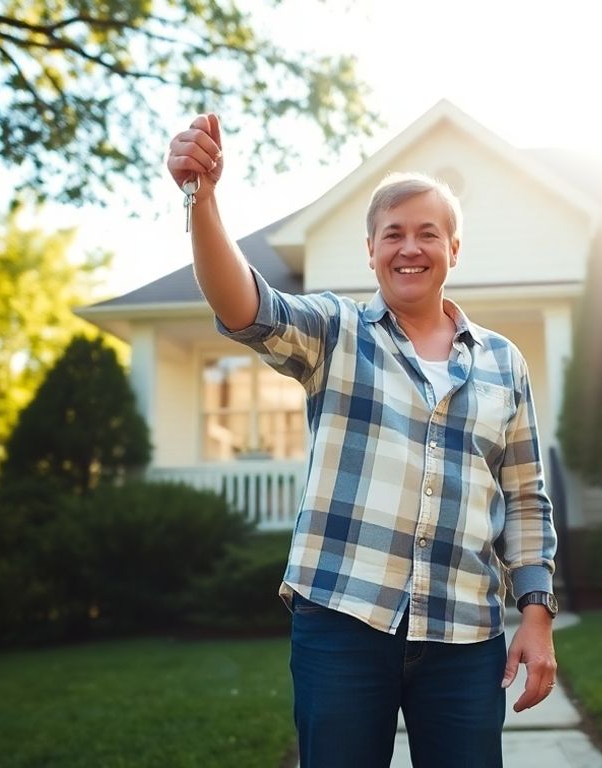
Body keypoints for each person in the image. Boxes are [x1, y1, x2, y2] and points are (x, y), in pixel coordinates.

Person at [167, 113, 559, 768]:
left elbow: (525, 498)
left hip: (464, 635)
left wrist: (537, 615)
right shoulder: (335, 332)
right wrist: (203, 201)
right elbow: (245, 306)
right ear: (371, 249)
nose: (410, 248)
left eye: (427, 234)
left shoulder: (503, 362)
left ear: (453, 250)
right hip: (343, 624)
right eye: (393, 235)